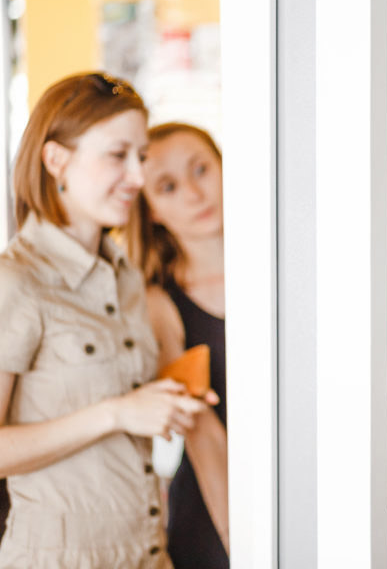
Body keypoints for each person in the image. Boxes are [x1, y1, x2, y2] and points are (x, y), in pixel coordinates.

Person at [0, 72, 213, 567]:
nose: (138, 177)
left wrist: (167, 400)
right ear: (57, 160)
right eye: (118, 156)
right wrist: (116, 413)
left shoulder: (127, 278)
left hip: (149, 554)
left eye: (140, 156)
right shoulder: (16, 283)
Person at [124, 122, 229, 567]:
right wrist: (250, 548)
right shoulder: (159, 304)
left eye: (201, 170)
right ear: (150, 211)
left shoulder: (299, 262)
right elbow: (203, 435)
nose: (193, 193)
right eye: (167, 187)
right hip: (220, 512)